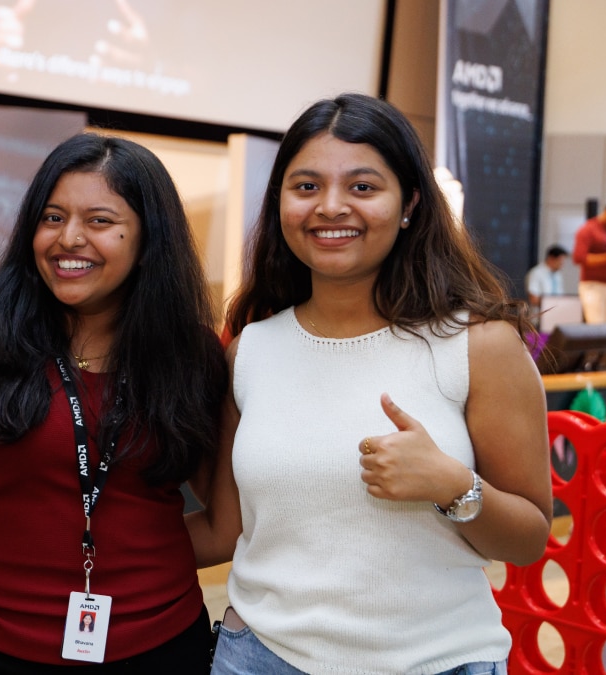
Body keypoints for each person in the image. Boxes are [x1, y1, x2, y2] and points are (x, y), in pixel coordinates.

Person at [206, 93, 552, 674]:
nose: (332, 207)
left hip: (438, 662)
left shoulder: (480, 345)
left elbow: (528, 540)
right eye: (307, 186)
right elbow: (226, 528)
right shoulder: (251, 351)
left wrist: (452, 485)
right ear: (281, 202)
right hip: (259, 658)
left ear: (410, 203)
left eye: (363, 187)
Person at [0, 132, 230, 675]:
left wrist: (132, 569)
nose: (68, 239)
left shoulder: (189, 356)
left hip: (165, 647)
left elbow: (224, 526)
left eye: (100, 221)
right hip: (2, 652)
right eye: (52, 218)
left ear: (148, 239)